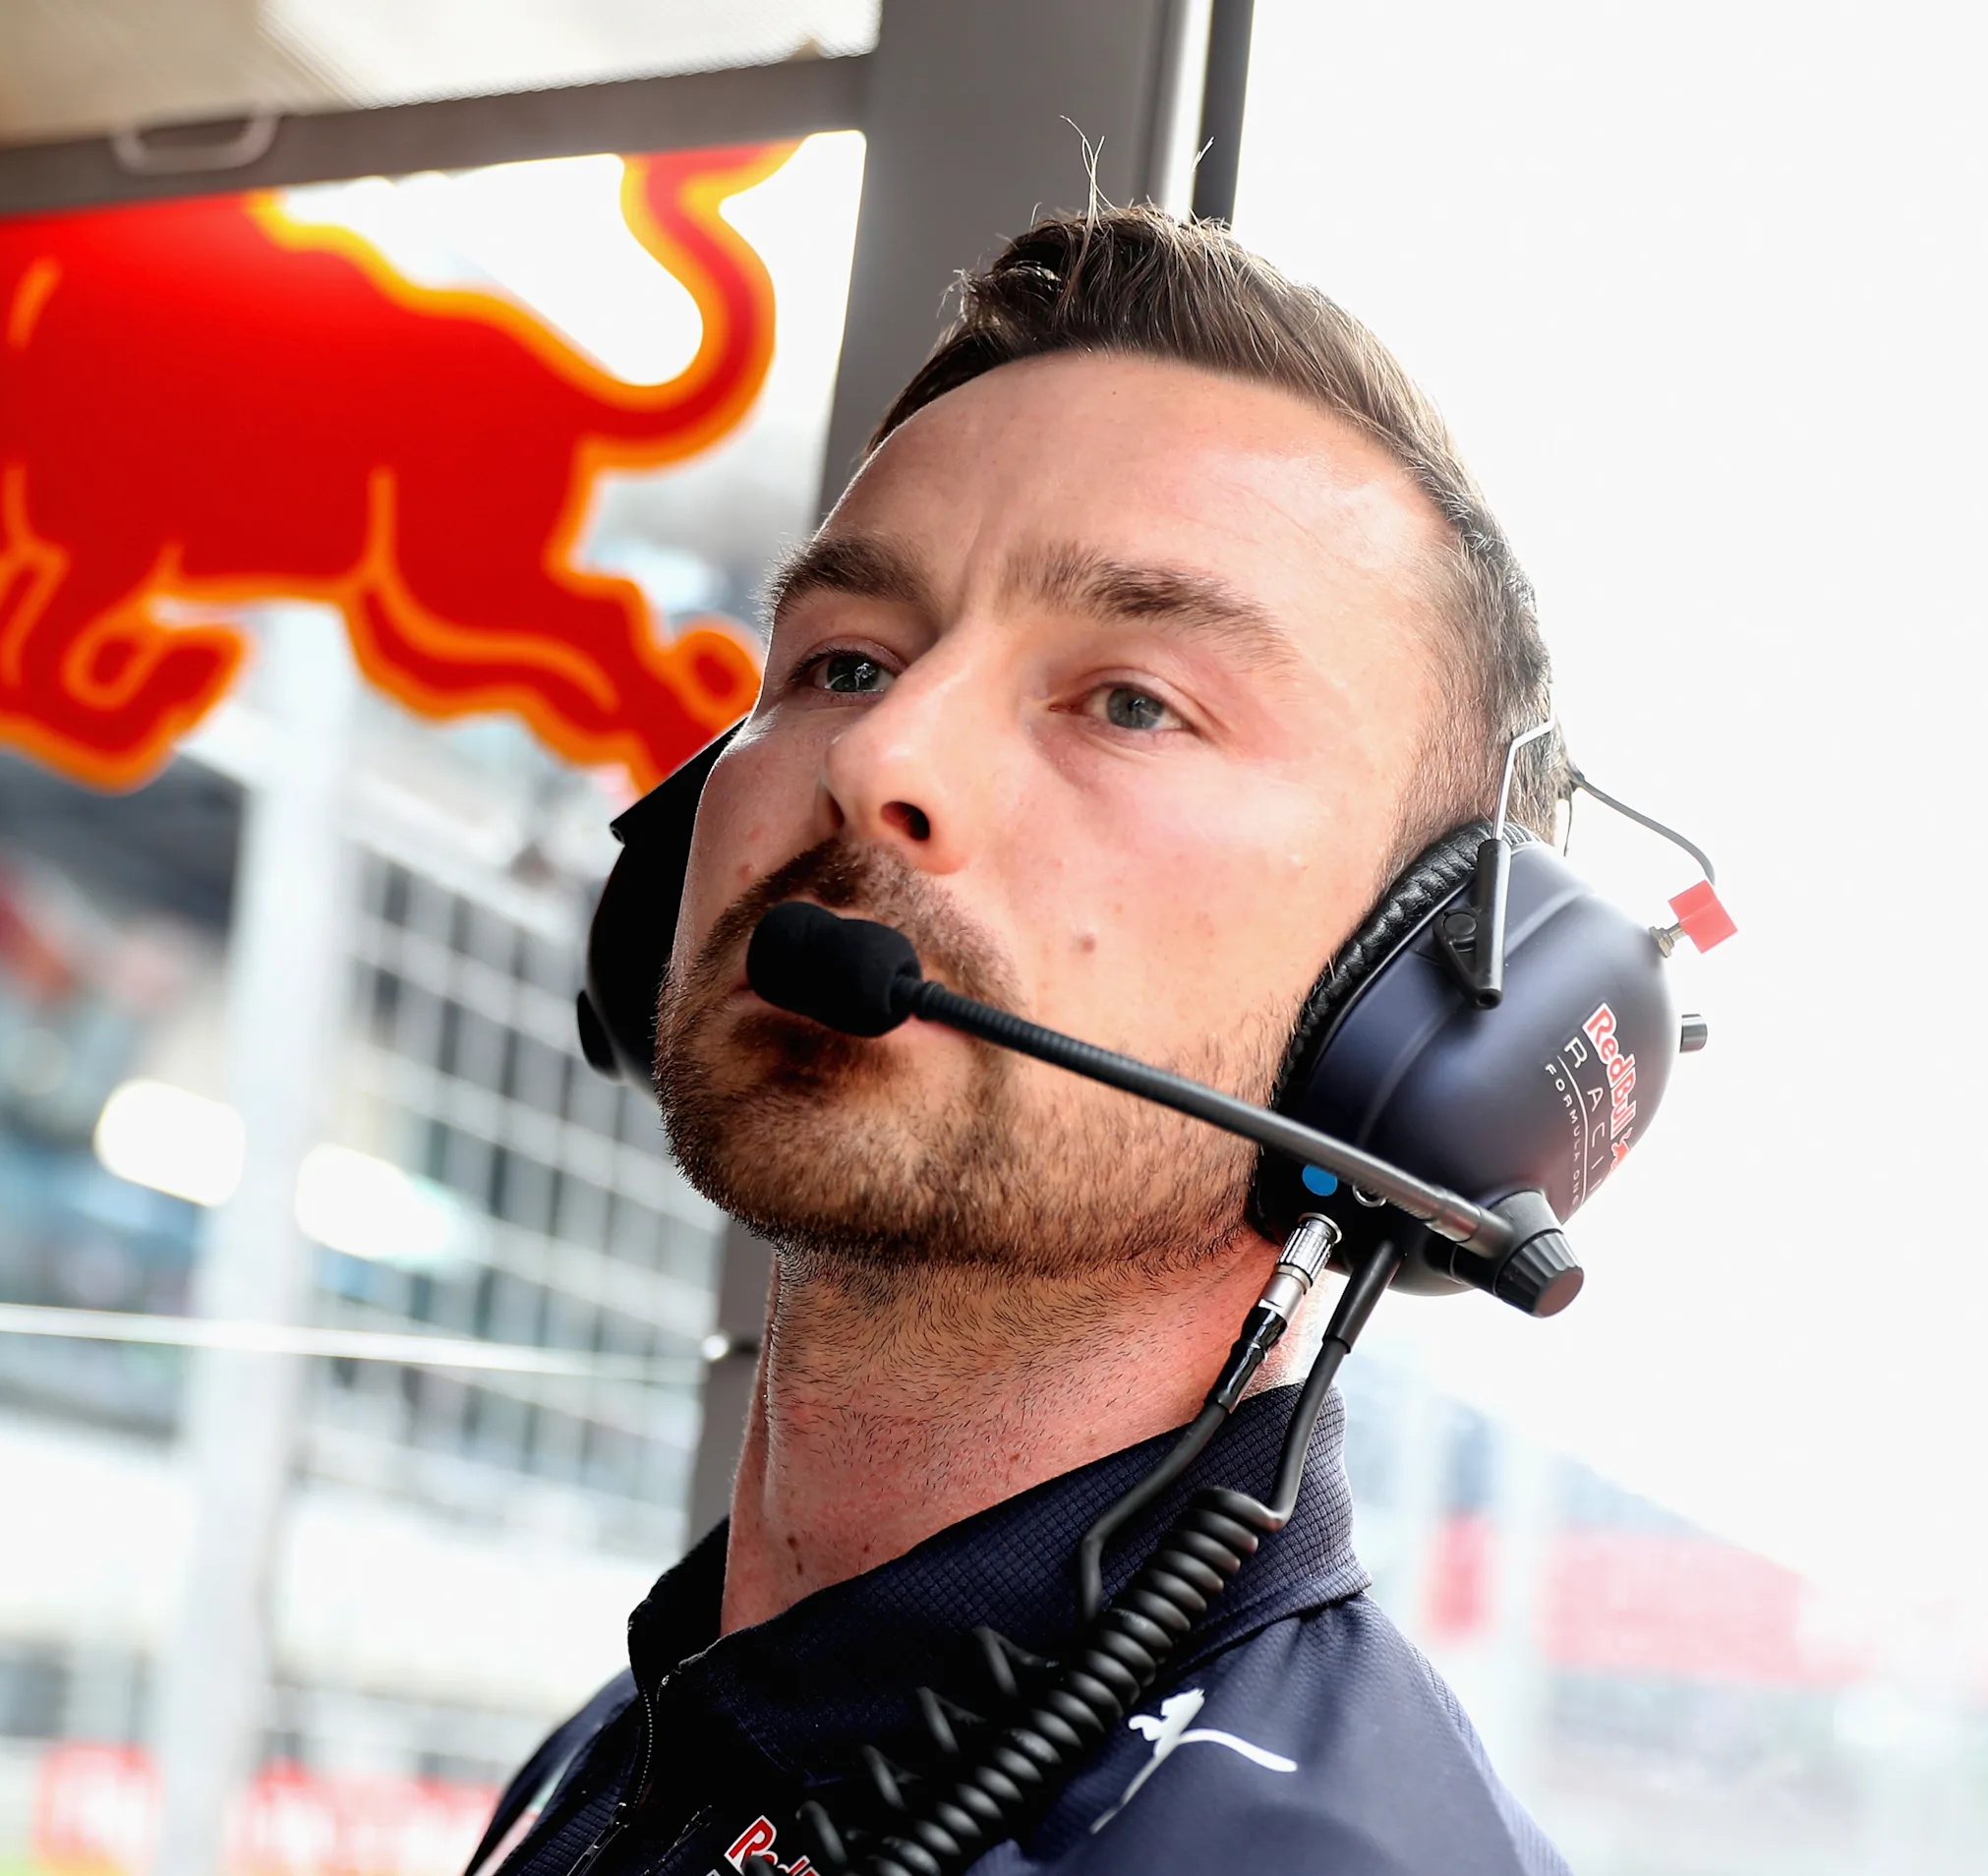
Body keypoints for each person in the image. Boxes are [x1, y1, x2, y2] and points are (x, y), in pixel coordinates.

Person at [467, 207, 1569, 1876]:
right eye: (841, 660)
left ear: (1410, 1009)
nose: (880, 751)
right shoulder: (632, 1747)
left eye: (1129, 700)